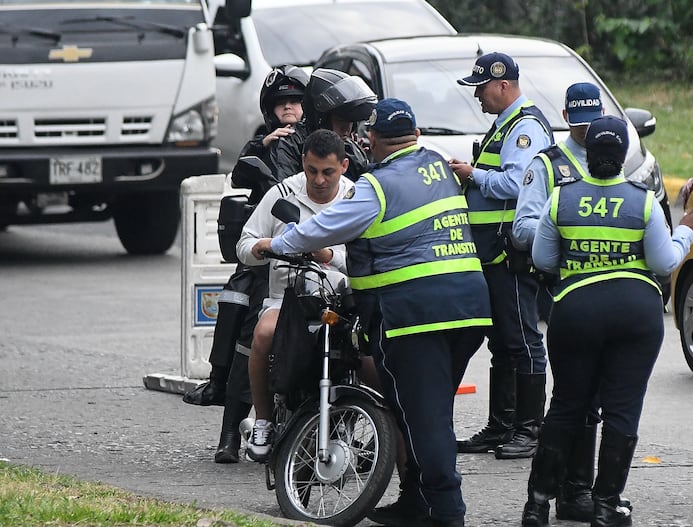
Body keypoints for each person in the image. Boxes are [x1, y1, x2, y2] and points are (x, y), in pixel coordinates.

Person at [251, 98, 493, 527]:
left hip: (417, 313)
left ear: (373, 139)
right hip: (470, 307)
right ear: (416, 136)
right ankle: (416, 500)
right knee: (425, 410)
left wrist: (277, 244)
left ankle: (446, 513)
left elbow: (322, 228)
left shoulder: (377, 186)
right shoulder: (439, 167)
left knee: (425, 417)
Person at [522, 116, 693, 527]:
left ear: (587, 154)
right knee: (621, 411)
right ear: (625, 155)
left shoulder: (561, 199)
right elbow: (664, 262)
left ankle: (537, 505)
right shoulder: (642, 202)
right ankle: (606, 507)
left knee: (567, 405)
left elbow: (542, 259)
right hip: (635, 315)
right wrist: (686, 230)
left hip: (576, 312)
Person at [181, 65, 310, 465]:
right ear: (270, 109)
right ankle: (228, 426)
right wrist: (261, 146)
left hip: (313, 251)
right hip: (266, 252)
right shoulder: (264, 143)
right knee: (239, 306)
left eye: (296, 102)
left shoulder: (318, 144)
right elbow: (240, 176)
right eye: (282, 103)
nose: (289, 108)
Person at [511, 82, 613, 520]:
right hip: (563, 293)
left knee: (592, 398)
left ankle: (575, 491)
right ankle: (556, 494)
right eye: (579, 123)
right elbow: (522, 229)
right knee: (573, 396)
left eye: (593, 123)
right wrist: (567, 228)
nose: (586, 132)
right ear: (567, 118)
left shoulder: (613, 157)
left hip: (607, 295)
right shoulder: (547, 164)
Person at [449, 52, 554, 458]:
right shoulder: (505, 124)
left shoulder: (524, 128)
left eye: (481, 87)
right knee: (503, 342)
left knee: (522, 340)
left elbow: (517, 183)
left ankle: (529, 431)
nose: (477, 95)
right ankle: (501, 427)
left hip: (510, 255)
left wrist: (472, 175)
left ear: (503, 84)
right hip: (493, 254)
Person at [234, 129, 354, 462]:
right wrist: (262, 247)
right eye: (312, 170)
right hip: (287, 299)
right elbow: (244, 245)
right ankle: (263, 419)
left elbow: (370, 257)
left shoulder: (356, 197)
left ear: (343, 166)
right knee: (263, 334)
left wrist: (328, 256)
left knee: (371, 352)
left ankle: (379, 424)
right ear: (303, 162)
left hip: (340, 298)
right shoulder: (282, 193)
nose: (319, 180)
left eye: (328, 172)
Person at [274, 68, 377, 182]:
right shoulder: (290, 145)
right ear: (321, 120)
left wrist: (358, 160)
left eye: (350, 121)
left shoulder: (351, 147)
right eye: (340, 120)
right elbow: (285, 188)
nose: (346, 128)